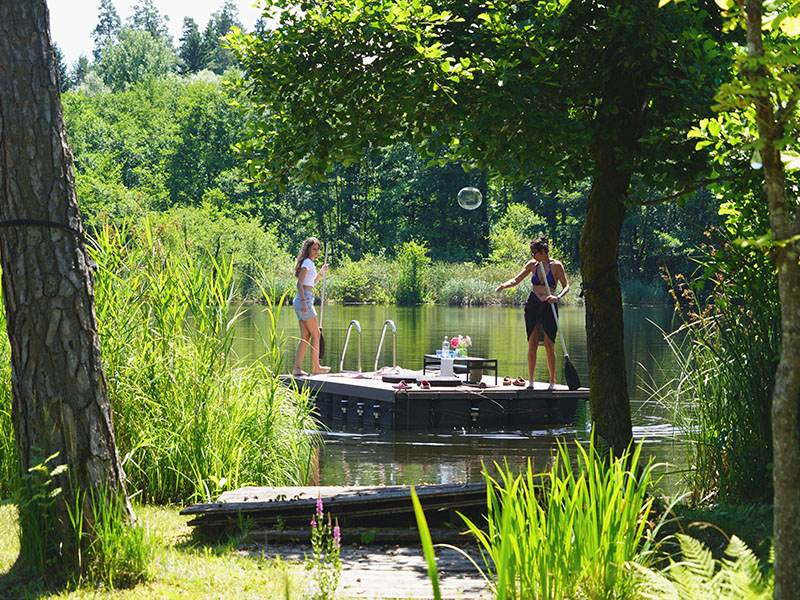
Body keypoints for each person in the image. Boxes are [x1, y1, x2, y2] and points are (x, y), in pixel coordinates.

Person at [495, 237, 570, 389]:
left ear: (543, 252)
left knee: (549, 344)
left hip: (549, 304)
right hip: (533, 304)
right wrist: (503, 285)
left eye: (534, 253)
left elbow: (566, 286)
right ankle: (530, 380)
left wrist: (557, 297)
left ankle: (552, 381)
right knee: (533, 342)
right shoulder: (532, 265)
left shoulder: (556, 266)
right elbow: (516, 280)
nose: (532, 256)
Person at [292, 237, 331, 376]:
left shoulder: (310, 264)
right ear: (308, 249)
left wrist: (321, 273)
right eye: (314, 249)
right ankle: (316, 368)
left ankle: (297, 369)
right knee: (316, 333)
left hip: (304, 299)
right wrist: (304, 302)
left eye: (318, 249)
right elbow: (299, 284)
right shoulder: (307, 263)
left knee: (306, 335)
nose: (317, 252)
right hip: (305, 300)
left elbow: (312, 283)